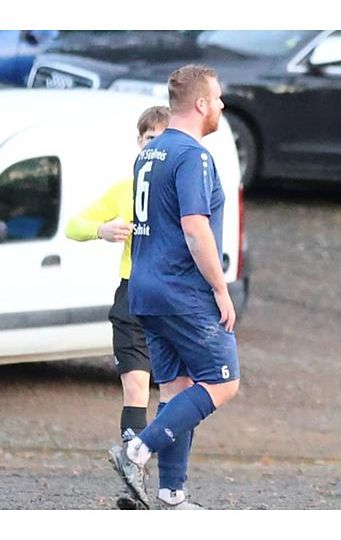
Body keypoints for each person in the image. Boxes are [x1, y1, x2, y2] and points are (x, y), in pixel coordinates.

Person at [108, 64, 239, 510]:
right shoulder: (192, 155)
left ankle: (172, 495)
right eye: (218, 98)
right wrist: (221, 289)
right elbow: (195, 228)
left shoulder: (151, 152)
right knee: (223, 383)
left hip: (144, 287)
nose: (222, 105)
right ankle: (136, 450)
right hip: (181, 289)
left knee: (178, 389)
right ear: (201, 103)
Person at [66, 105, 170, 510]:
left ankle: (163, 477)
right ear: (138, 143)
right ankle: (136, 483)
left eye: (161, 140)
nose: (153, 146)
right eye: (147, 139)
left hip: (168, 299)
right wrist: (101, 230)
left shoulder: (179, 191)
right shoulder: (123, 189)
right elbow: (73, 225)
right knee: (135, 389)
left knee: (174, 394)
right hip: (131, 296)